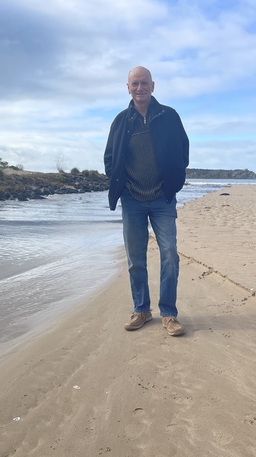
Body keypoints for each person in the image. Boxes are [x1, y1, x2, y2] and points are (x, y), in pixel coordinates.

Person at [104, 66, 190, 337]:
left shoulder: (169, 116)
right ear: (128, 88)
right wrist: (121, 184)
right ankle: (141, 309)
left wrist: (174, 182)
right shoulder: (121, 121)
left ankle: (169, 313)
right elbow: (110, 158)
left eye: (144, 83)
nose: (139, 88)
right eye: (135, 84)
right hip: (132, 200)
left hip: (163, 199)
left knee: (169, 255)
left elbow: (183, 151)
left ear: (153, 86)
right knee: (135, 259)